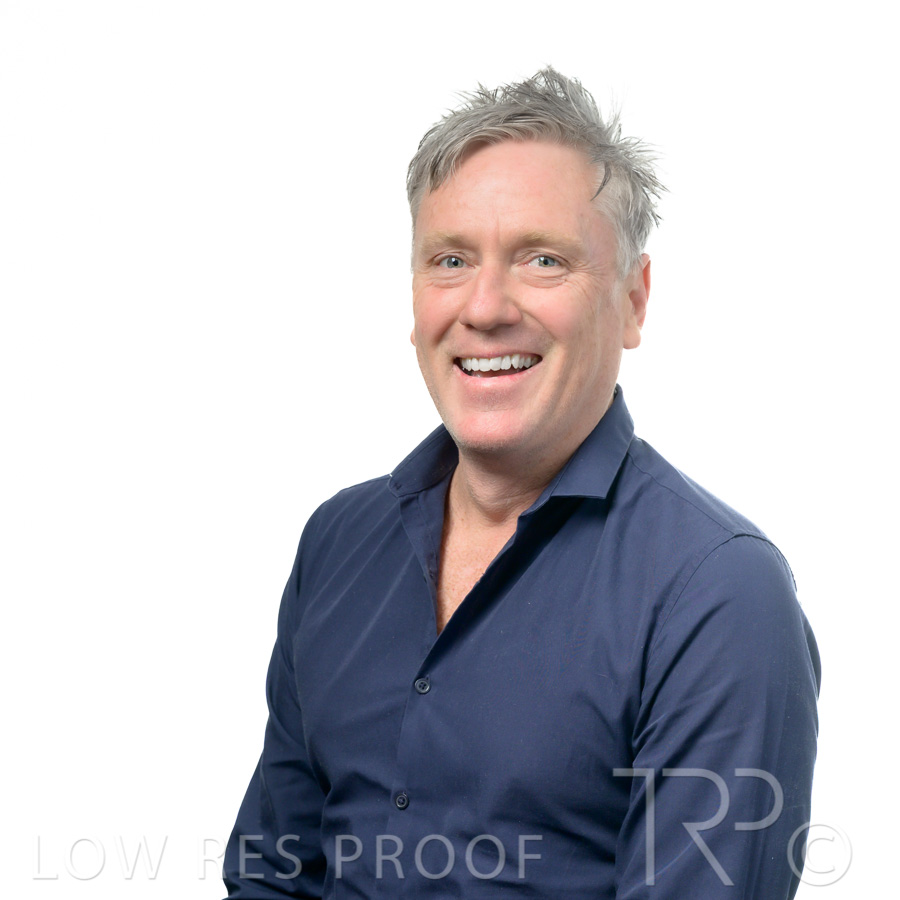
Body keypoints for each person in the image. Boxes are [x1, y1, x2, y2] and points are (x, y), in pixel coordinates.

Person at [222, 67, 820, 899]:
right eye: (450, 260)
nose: (486, 307)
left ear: (634, 300)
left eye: (543, 259)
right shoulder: (337, 543)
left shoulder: (718, 592)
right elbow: (273, 874)